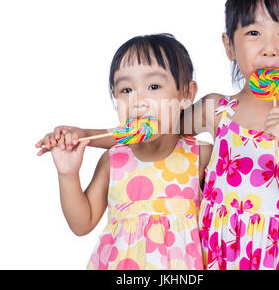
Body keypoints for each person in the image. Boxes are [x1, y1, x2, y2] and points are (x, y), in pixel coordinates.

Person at [36, 0, 279, 270]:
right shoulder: (218, 109)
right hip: (210, 254)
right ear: (229, 45)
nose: (269, 47)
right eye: (253, 33)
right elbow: (153, 132)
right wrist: (85, 136)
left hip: (275, 254)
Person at [44, 33, 212, 270]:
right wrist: (67, 175)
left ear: (186, 94)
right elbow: (82, 224)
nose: (138, 101)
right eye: (126, 90)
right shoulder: (113, 160)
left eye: (154, 86)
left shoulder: (201, 156)